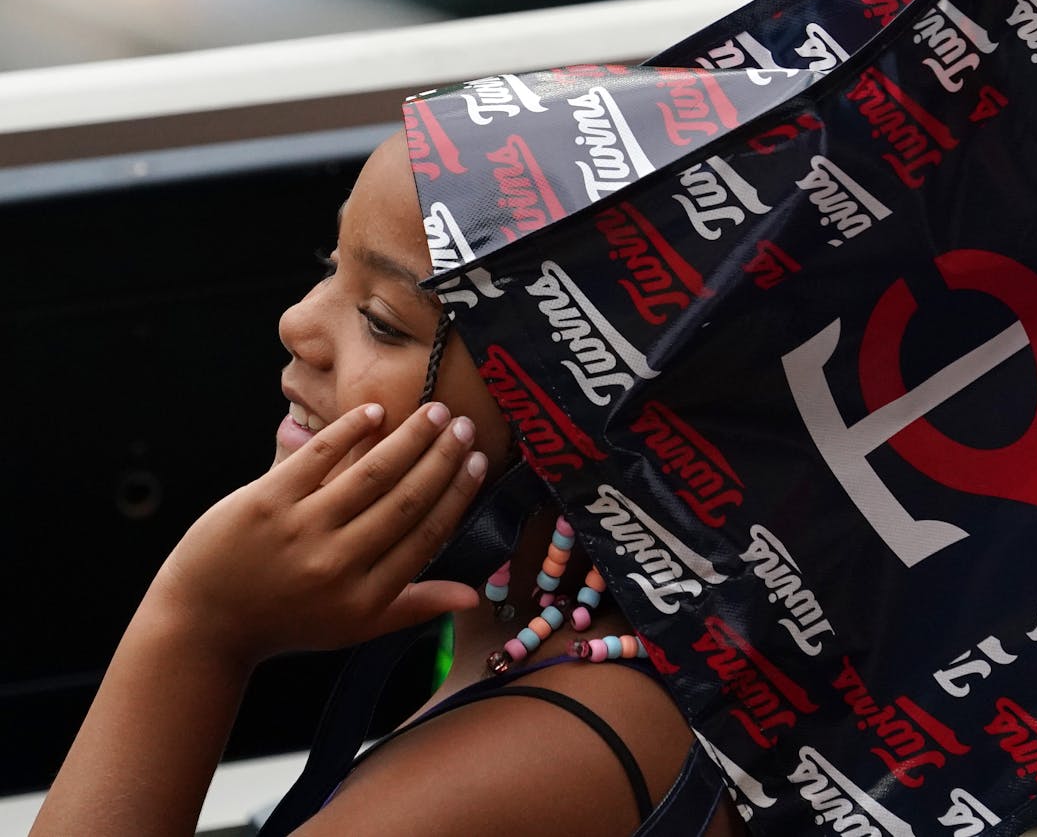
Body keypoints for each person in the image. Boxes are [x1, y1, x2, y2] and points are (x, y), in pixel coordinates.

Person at [29, 131, 745, 837]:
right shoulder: (565, 655)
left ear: (573, 417)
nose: (297, 322)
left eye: (380, 320)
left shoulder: (516, 772)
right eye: (330, 262)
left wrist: (197, 629)